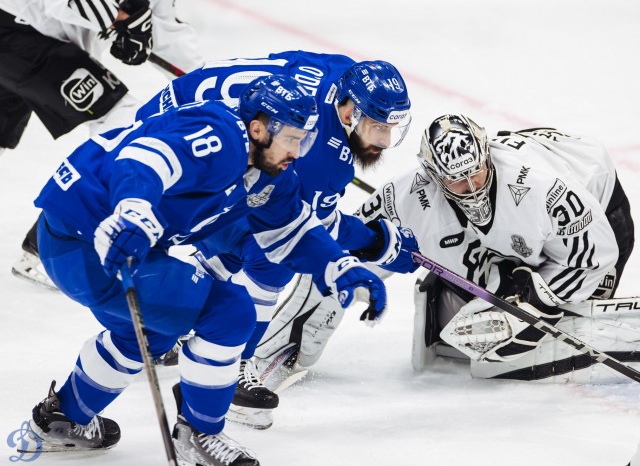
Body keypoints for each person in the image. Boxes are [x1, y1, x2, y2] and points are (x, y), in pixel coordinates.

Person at [18, 75, 393, 465]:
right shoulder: (220, 136)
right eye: (292, 139)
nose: (298, 152)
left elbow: (292, 230)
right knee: (229, 312)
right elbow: (146, 158)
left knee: (150, 334)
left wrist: (339, 265)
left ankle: (64, 418)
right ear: (258, 128)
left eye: (305, 140)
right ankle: (198, 434)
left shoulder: (270, 169)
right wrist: (132, 210)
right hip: (91, 237)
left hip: (85, 235)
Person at [134, 51, 418, 428]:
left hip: (192, 109)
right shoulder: (319, 151)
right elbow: (306, 228)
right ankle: (232, 368)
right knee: (273, 250)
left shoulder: (341, 74)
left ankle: (160, 329)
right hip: (176, 142)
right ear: (349, 114)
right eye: (379, 127)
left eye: (392, 128)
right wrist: (377, 241)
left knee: (249, 222)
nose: (385, 140)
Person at [259, 113, 636, 385]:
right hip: (522, 231)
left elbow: (594, 257)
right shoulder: (409, 194)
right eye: (456, 181)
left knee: (506, 355)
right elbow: (340, 259)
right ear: (434, 177)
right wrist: (289, 348)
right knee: (493, 325)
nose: (471, 188)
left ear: (487, 157)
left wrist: (538, 303)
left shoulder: (543, 190)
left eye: (476, 173)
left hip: (596, 202)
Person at [0, 0, 203, 287]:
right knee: (123, 125)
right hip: (22, 34)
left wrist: (208, 84)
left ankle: (43, 252)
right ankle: (49, 255)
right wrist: (118, 18)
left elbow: (165, 32)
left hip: (31, 36)